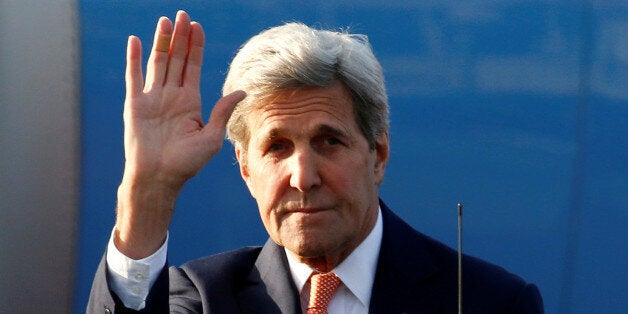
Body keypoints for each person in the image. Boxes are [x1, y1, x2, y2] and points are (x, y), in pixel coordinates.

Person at [87, 10, 544, 314]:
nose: (302, 178)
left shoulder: (489, 301)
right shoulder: (204, 297)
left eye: (328, 142)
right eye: (277, 147)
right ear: (246, 168)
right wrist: (148, 192)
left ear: (378, 154)